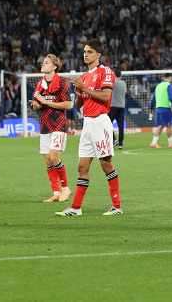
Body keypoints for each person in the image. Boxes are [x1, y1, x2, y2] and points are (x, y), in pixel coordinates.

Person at [56, 39, 122, 216]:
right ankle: (76, 208)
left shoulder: (105, 72)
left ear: (98, 55)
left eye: (90, 51)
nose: (85, 54)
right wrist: (79, 94)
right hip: (87, 124)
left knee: (106, 164)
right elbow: (79, 105)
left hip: (100, 122)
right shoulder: (84, 76)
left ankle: (117, 206)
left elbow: (106, 96)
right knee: (81, 167)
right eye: (84, 51)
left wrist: (84, 88)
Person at [31, 54, 72, 203]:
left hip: (58, 125)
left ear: (54, 67)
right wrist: (37, 105)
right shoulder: (40, 84)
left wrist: (44, 102)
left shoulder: (62, 83)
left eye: (46, 63)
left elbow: (68, 105)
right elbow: (38, 105)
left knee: (54, 157)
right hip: (45, 126)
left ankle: (65, 188)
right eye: (43, 62)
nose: (43, 64)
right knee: (48, 160)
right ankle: (55, 192)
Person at [149, 74, 172, 148]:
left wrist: (151, 108)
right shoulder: (169, 85)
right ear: (170, 78)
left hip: (158, 108)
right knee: (169, 125)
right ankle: (171, 143)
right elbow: (171, 97)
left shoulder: (158, 86)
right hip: (166, 108)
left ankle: (154, 142)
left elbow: (153, 99)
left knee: (161, 125)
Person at [108, 68, 127, 149]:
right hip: (121, 106)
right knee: (121, 126)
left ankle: (114, 140)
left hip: (113, 106)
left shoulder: (113, 82)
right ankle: (120, 144)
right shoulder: (124, 83)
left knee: (107, 124)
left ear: (114, 75)